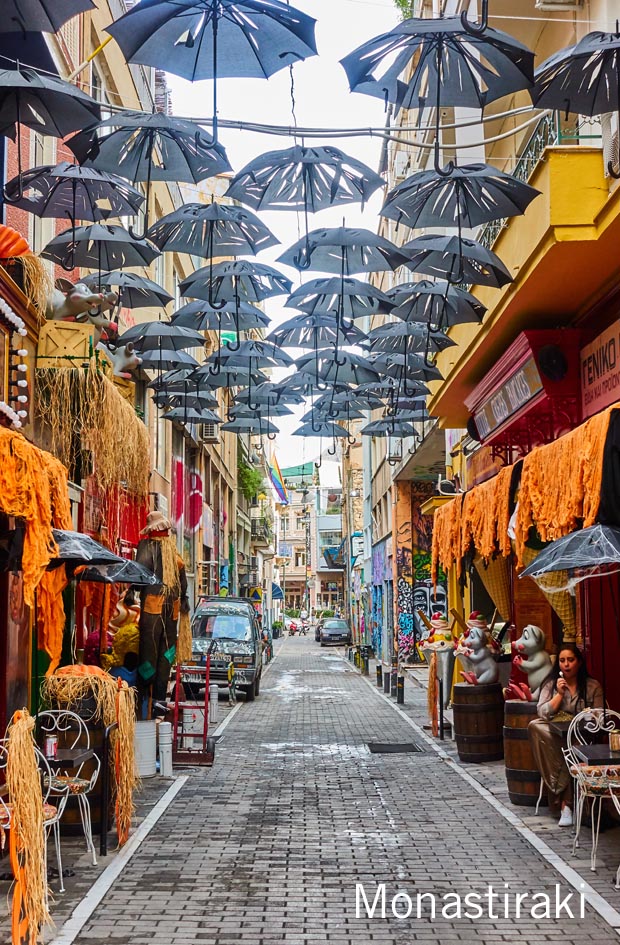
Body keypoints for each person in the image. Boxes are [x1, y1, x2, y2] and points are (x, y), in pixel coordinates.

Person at [528, 643, 604, 828]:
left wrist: (589, 717)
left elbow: (600, 716)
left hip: (583, 736)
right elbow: (543, 713)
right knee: (536, 727)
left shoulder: (592, 686)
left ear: (579, 662)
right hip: (557, 734)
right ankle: (567, 805)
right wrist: (559, 695)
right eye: (562, 661)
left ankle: (565, 806)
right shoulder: (551, 684)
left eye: (570, 660)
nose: (566, 665)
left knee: (571, 750)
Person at [127, 511, 189, 719]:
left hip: (155, 610)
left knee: (152, 650)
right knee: (165, 652)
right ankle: (157, 700)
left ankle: (147, 699)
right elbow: (183, 583)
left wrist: (131, 590)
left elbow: (139, 574)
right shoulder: (173, 551)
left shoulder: (147, 547)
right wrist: (184, 603)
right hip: (171, 610)